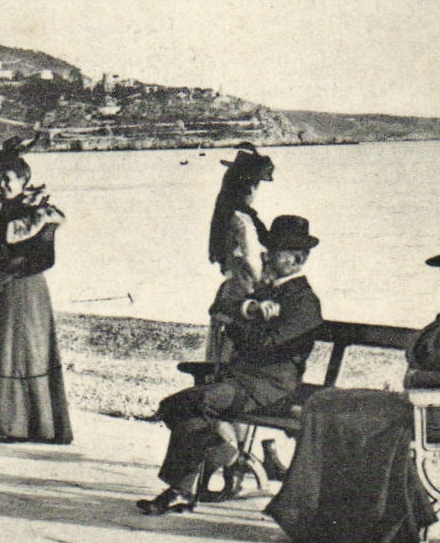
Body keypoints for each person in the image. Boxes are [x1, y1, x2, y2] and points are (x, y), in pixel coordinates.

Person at [265, 238, 440, 543]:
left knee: (357, 422)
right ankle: (310, 513)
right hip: (415, 402)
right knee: (324, 402)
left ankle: (365, 526)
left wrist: (417, 379)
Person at [137, 215, 324, 515]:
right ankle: (218, 457)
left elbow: (263, 344)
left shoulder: (304, 302)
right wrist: (249, 309)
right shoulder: (268, 292)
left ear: (296, 259)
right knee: (177, 406)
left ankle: (191, 482)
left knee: (183, 405)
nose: (265, 256)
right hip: (242, 382)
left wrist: (237, 326)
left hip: (268, 389)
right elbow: (220, 307)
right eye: (268, 249)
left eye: (274, 251)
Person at [0, 146, 72, 444]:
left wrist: (9, 274)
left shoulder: (39, 213)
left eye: (8, 178)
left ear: (23, 180)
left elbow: (46, 258)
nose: (3, 184)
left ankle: (23, 426)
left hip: (27, 290)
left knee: (23, 352)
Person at [206, 143, 274, 362]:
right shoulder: (243, 222)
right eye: (256, 186)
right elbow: (251, 263)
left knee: (220, 358)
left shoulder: (225, 216)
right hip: (244, 300)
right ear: (249, 188)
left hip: (229, 294)